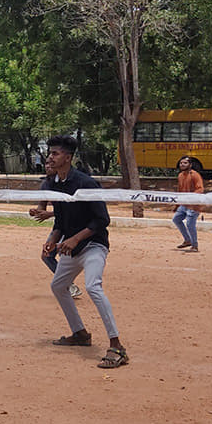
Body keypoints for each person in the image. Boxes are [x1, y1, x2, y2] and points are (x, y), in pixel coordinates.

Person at [41, 135, 128, 369]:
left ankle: (117, 346)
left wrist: (75, 238)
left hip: (93, 245)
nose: (50, 157)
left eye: (55, 153)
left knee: (92, 287)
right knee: (58, 286)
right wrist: (53, 239)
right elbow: (61, 219)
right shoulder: (53, 184)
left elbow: (102, 220)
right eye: (51, 153)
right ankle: (80, 334)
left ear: (68, 158)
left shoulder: (86, 183)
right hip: (71, 247)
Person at [29, 157, 83, 300]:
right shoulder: (46, 184)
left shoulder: (71, 183)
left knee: (69, 254)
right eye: (46, 164)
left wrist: (51, 213)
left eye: (50, 164)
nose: (48, 166)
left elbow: (74, 209)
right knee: (47, 255)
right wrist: (36, 211)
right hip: (60, 226)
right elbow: (42, 205)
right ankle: (69, 284)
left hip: (76, 226)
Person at [172, 155, 205, 252]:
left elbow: (200, 189)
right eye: (181, 163)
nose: (182, 164)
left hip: (194, 205)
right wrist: (177, 205)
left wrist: (191, 197)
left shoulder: (194, 175)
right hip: (183, 204)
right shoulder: (180, 175)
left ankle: (194, 245)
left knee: (190, 224)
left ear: (190, 165)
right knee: (176, 219)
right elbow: (180, 190)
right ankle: (187, 240)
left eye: (185, 163)